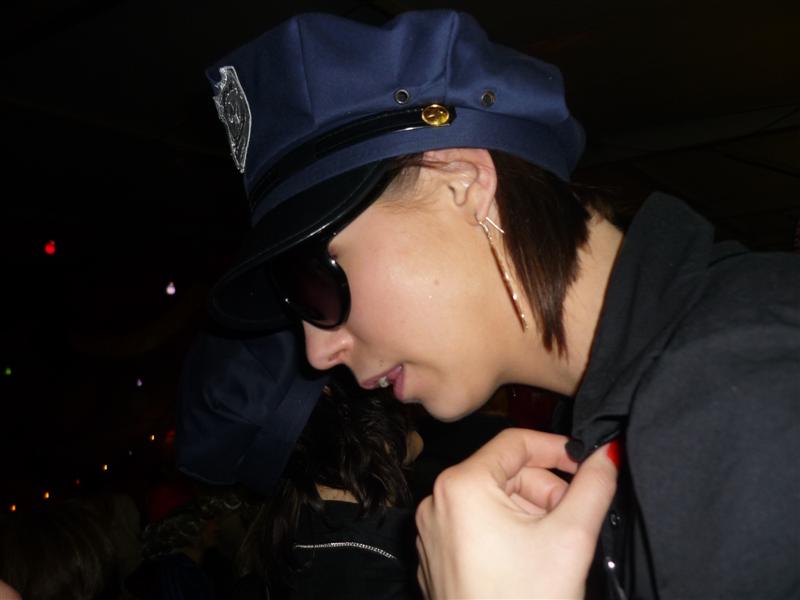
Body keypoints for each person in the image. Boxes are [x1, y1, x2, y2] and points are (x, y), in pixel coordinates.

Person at [201, 9, 800, 600]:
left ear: (460, 181)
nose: (317, 352)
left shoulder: (755, 392)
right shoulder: (603, 431)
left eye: (316, 281)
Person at [176, 330, 423, 599]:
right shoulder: (408, 575)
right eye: (378, 377)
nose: (389, 378)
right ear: (336, 402)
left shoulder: (285, 568)